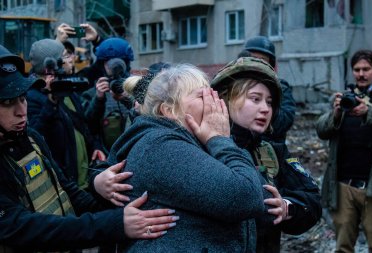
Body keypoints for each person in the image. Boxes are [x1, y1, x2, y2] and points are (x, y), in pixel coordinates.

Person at [0, 45, 177, 252]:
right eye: (8, 102)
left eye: (23, 98)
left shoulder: (30, 138)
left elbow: (68, 191)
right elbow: (21, 226)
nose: (22, 112)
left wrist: (106, 193)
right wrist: (114, 224)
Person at [97, 63, 276, 252]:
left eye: (213, 94)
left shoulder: (198, 142)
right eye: (202, 96)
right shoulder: (160, 147)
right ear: (169, 111)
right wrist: (220, 139)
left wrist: (218, 140)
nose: (215, 102)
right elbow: (246, 198)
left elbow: (266, 205)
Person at [210, 57, 322, 253]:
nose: (265, 109)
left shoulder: (272, 151)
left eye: (269, 102)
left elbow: (312, 200)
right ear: (226, 99)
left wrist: (287, 207)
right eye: (255, 99)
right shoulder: (201, 148)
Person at [316, 49, 372, 253]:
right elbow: (321, 130)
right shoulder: (344, 99)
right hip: (344, 185)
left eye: (366, 69)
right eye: (357, 69)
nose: (361, 74)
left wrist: (369, 112)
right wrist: (336, 113)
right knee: (343, 244)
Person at [26, 38, 105, 189]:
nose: (70, 59)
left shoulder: (67, 88)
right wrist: (51, 102)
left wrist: (95, 146)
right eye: (65, 56)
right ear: (50, 65)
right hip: (66, 184)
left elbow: (83, 125)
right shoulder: (31, 97)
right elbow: (36, 136)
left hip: (85, 178)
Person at [243, 36, 296, 143]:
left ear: (270, 64)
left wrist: (265, 106)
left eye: (262, 61)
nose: (257, 64)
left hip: (270, 147)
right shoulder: (237, 86)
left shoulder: (281, 87)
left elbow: (285, 121)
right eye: (253, 59)